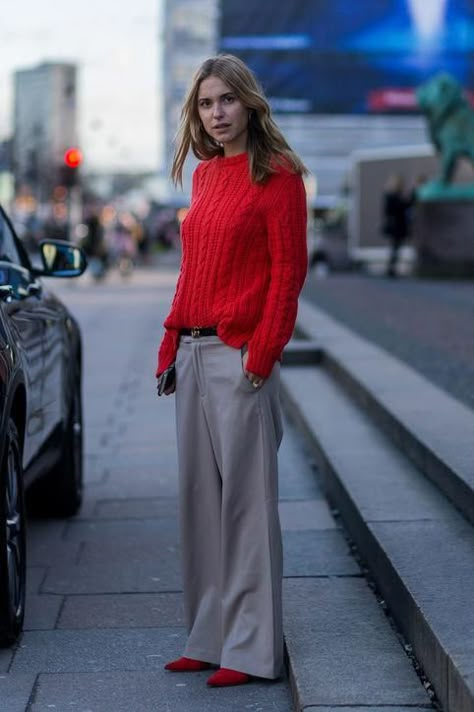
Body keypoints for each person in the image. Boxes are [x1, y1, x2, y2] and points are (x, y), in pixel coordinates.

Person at [156, 54, 308, 688]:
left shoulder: (279, 178)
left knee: (247, 508)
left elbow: (287, 274)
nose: (215, 113)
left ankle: (250, 650)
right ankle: (209, 635)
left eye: (225, 101)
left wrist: (262, 354)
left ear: (250, 103)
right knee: (200, 503)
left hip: (239, 357)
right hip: (191, 355)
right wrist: (169, 343)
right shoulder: (205, 179)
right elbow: (194, 272)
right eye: (205, 104)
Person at [381, 174, 412, 277]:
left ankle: (391, 269)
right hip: (396, 226)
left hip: (397, 225)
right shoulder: (392, 196)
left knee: (395, 248)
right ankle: (391, 269)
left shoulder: (393, 195)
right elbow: (400, 207)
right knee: (395, 248)